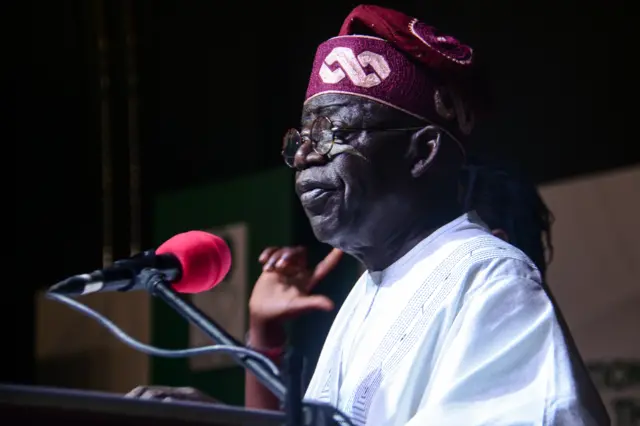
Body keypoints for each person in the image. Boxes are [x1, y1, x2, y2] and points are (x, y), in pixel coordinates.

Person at [131, 5, 610, 425]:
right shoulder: (372, 290)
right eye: (301, 141)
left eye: (331, 134)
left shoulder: (488, 280)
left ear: (422, 152)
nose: (304, 157)